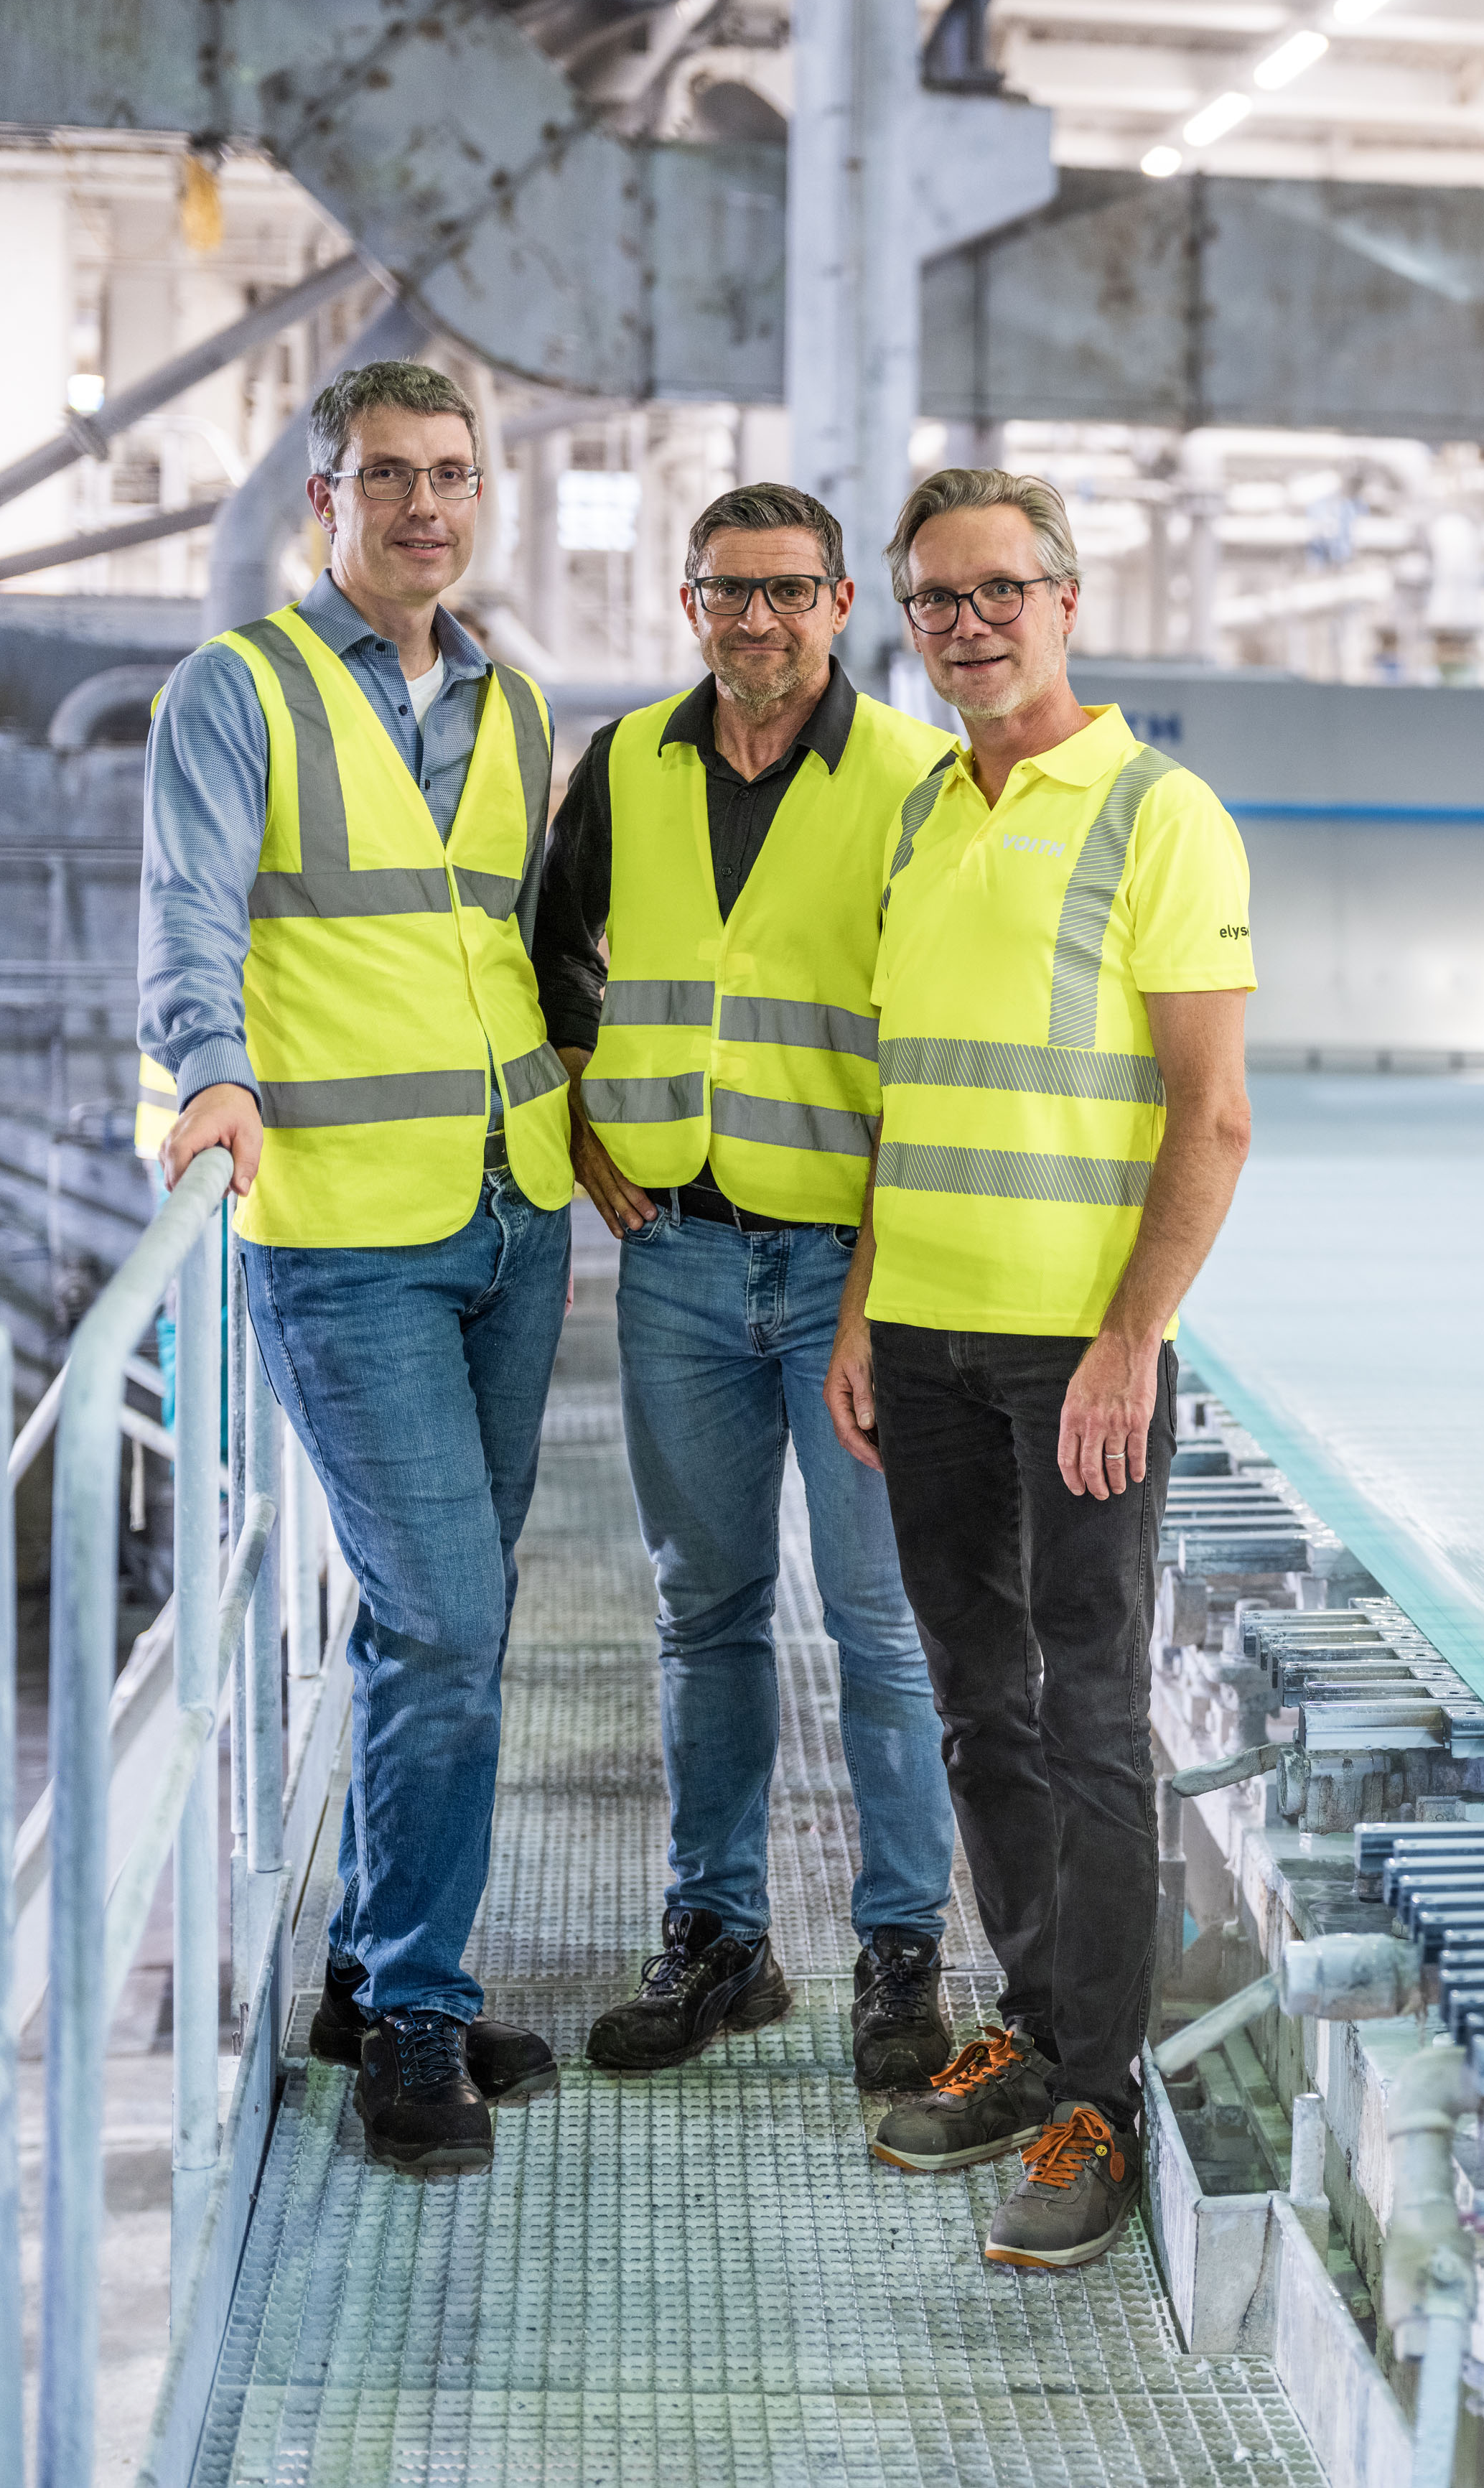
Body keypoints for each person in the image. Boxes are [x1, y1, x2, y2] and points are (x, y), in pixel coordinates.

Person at [136, 358, 570, 2176]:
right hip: (344, 1234)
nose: (424, 508)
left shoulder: (519, 704)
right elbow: (193, 906)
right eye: (387, 476)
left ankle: (366, 1965)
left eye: (454, 476)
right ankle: (412, 2019)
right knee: (453, 1619)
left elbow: (522, 944)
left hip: (511, 1207)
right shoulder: (236, 689)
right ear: (325, 498)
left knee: (437, 1621)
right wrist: (209, 1067)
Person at [821, 467, 1256, 2273]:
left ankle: (1095, 2097)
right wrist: (862, 1306)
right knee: (978, 1706)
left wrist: (1128, 1343)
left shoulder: (1163, 817)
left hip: (1075, 1358)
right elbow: (905, 1103)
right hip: (922, 1338)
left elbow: (1212, 1117)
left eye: (1001, 590)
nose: (967, 624)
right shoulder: (922, 813)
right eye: (934, 600)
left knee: (1089, 1726)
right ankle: (1030, 2028)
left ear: (1068, 600)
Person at [531, 483, 961, 2089]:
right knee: (703, 1612)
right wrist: (578, 1122)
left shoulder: (916, 784)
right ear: (688, 601)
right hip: (680, 1259)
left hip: (852, 1266)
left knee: (877, 1623)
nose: (758, 621)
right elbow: (557, 951)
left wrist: (877, 1283)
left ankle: (902, 1949)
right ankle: (720, 1938)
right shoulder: (629, 763)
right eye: (728, 592)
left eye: (789, 592)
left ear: (843, 605)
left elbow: (930, 1039)